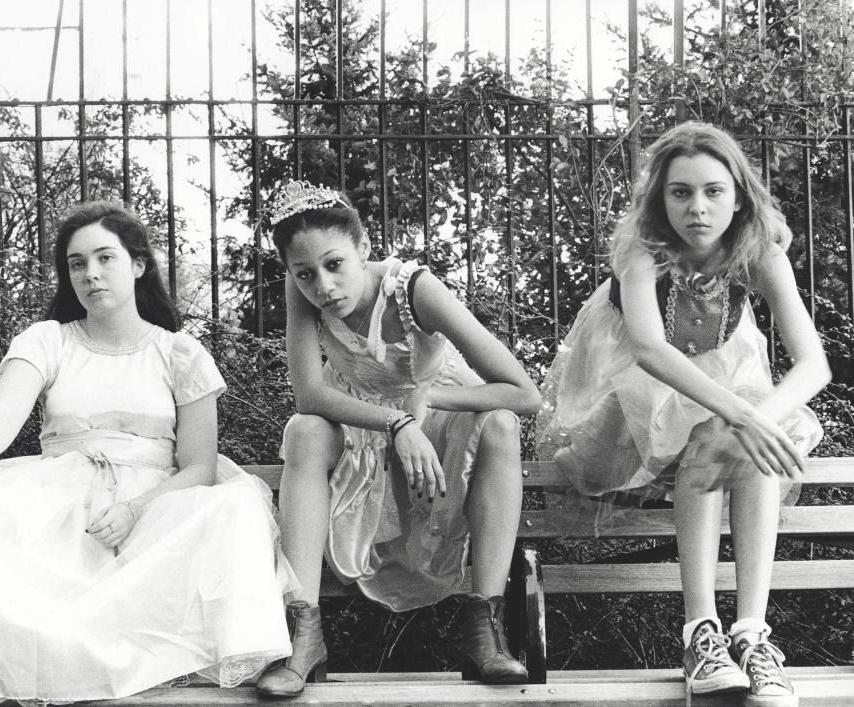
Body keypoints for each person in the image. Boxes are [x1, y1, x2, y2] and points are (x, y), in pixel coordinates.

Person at [0, 201, 296, 706]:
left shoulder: (180, 353)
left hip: (154, 506)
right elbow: (4, 413)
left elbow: (199, 466)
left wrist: (134, 510)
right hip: (62, 498)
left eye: (105, 258)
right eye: (77, 263)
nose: (91, 273)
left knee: (234, 506)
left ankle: (262, 656)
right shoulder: (48, 341)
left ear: (139, 264)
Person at [537, 122, 829, 705]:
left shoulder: (760, 249)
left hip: (724, 373)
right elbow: (648, 349)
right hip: (634, 389)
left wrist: (755, 419)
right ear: (660, 197)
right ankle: (701, 630)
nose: (697, 208)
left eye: (714, 191)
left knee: (726, 434)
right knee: (722, 427)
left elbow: (814, 364)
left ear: (740, 195)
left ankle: (750, 635)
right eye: (680, 192)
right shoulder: (641, 247)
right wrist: (743, 419)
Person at [253, 180, 541, 696]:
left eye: (334, 264)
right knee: (304, 432)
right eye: (305, 274)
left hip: (440, 423)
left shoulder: (412, 289)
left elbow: (523, 393)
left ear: (363, 249)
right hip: (371, 430)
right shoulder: (305, 295)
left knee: (501, 424)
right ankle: (301, 632)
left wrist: (426, 406)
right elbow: (309, 397)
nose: (322, 285)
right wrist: (395, 423)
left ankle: (486, 630)